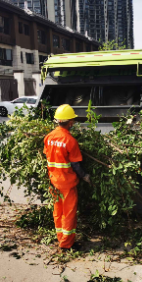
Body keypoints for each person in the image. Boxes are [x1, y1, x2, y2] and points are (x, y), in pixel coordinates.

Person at [44, 105, 91, 252]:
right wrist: (85, 176)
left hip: (53, 181)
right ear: (70, 122)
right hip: (67, 183)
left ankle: (61, 239)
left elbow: (49, 156)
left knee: (58, 212)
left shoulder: (48, 137)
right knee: (69, 214)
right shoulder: (70, 141)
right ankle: (67, 244)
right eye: (73, 121)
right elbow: (75, 165)